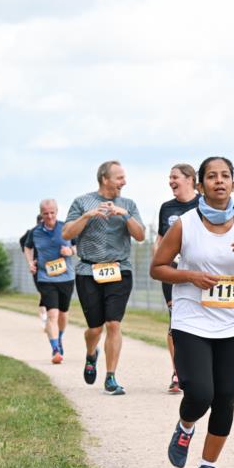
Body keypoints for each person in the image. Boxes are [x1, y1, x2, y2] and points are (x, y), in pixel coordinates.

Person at [151, 157, 234, 468]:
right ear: (200, 186)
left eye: (225, 176)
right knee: (200, 393)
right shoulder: (185, 225)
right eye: (212, 177)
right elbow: (157, 268)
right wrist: (189, 276)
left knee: (225, 397)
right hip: (192, 322)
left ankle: (208, 464)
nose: (219, 181)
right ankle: (186, 426)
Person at [61, 160, 145, 395]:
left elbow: (140, 236)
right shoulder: (81, 202)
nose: (124, 182)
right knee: (95, 329)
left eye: (123, 177)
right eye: (119, 177)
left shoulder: (128, 204)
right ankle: (91, 353)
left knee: (113, 324)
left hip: (120, 270)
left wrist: (125, 215)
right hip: (89, 271)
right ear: (104, 179)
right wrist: (87, 216)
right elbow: (67, 233)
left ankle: (110, 377)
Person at [155, 163, 200, 394]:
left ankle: (200, 369)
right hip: (172, 272)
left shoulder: (205, 203)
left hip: (200, 273)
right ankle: (178, 373)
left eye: (175, 177)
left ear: (190, 179)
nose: (171, 181)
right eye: (169, 177)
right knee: (176, 321)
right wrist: (159, 259)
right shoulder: (166, 208)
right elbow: (160, 238)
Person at [27, 200, 76, 364]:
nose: (49, 216)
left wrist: (70, 251)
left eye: (52, 213)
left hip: (66, 277)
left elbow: (79, 246)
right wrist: (30, 262)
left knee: (63, 314)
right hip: (45, 278)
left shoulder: (66, 228)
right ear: (41, 213)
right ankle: (55, 349)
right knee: (52, 314)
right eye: (45, 213)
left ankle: (59, 338)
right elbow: (27, 247)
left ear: (57, 212)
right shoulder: (35, 232)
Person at [20, 215, 49, 330]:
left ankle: (47, 315)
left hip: (51, 267)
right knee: (43, 291)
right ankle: (44, 315)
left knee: (50, 290)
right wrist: (31, 260)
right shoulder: (32, 232)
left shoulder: (52, 231)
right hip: (38, 267)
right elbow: (23, 243)